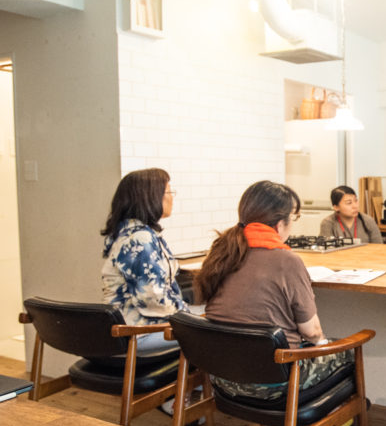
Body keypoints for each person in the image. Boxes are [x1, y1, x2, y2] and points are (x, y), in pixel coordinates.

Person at [195, 181, 352, 400]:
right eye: (294, 218)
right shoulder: (286, 261)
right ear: (280, 224)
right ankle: (338, 413)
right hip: (276, 384)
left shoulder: (221, 252)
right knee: (346, 352)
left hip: (223, 379)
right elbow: (312, 332)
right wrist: (324, 347)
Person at [101, 168, 186, 351]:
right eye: (168, 191)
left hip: (130, 330)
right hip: (138, 334)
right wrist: (190, 316)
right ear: (151, 197)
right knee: (215, 333)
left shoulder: (130, 232)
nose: (172, 197)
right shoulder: (140, 239)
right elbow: (153, 300)